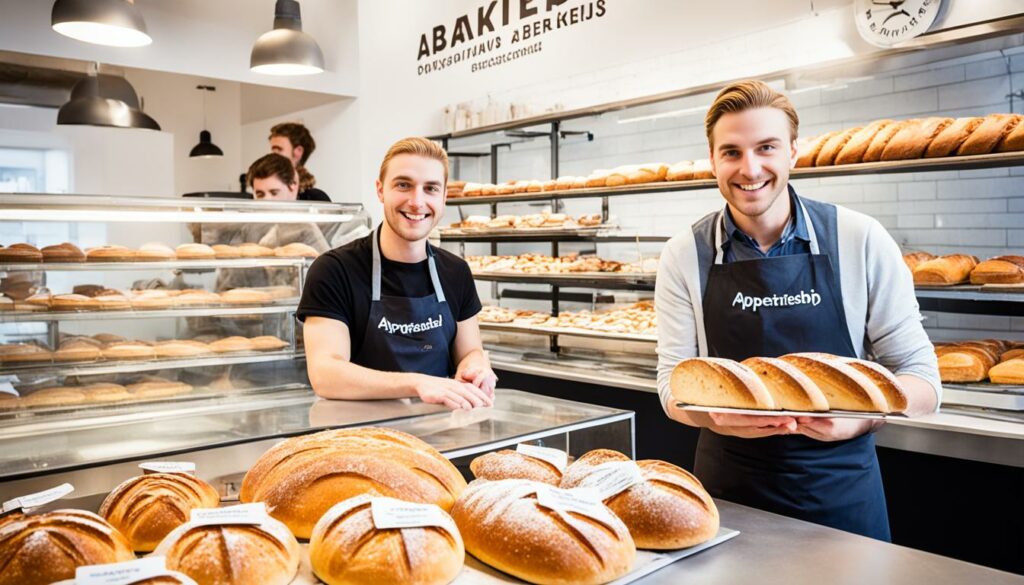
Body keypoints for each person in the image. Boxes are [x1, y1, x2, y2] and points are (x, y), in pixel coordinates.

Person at [654, 80, 940, 541]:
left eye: (766, 147)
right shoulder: (685, 253)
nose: (750, 168)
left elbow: (922, 377)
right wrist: (712, 416)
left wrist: (862, 418)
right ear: (712, 160)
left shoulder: (859, 239)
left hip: (842, 493)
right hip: (730, 494)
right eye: (731, 152)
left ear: (793, 152)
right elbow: (670, 383)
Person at [297, 137, 496, 411]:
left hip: (441, 433)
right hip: (360, 439)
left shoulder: (455, 271)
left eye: (430, 189)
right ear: (380, 190)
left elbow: (470, 350)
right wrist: (418, 383)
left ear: (444, 197)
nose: (417, 201)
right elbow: (325, 374)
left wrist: (476, 366)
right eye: (403, 185)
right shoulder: (335, 270)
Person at [269, 122, 330, 201]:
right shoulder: (263, 192)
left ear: (298, 152)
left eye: (278, 150)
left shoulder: (315, 198)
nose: (270, 156)